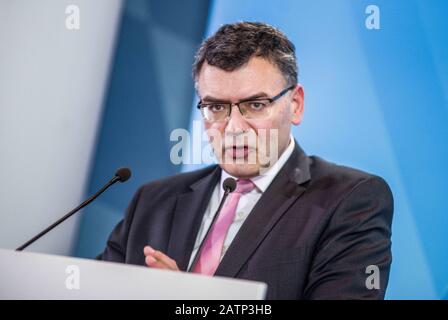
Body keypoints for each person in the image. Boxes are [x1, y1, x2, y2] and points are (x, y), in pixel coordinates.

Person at [98, 22, 393, 299]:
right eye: (215, 106)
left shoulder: (351, 200)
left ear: (296, 105)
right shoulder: (153, 201)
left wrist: (193, 302)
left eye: (255, 105)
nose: (234, 127)